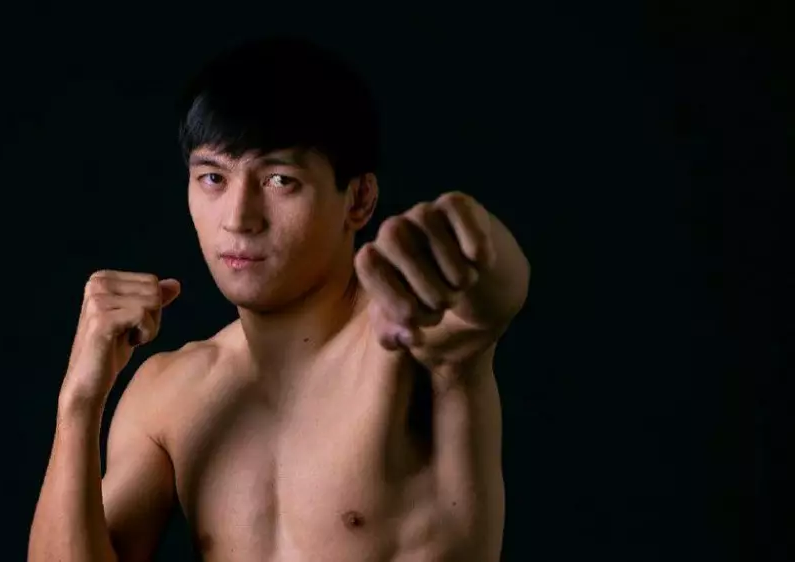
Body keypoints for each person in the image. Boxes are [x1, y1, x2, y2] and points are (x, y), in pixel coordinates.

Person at [28, 36, 530, 562]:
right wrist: (79, 402)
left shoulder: (415, 343)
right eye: (213, 178)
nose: (239, 217)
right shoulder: (169, 395)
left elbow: (489, 297)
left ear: (359, 199)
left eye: (279, 180)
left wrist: (468, 242)